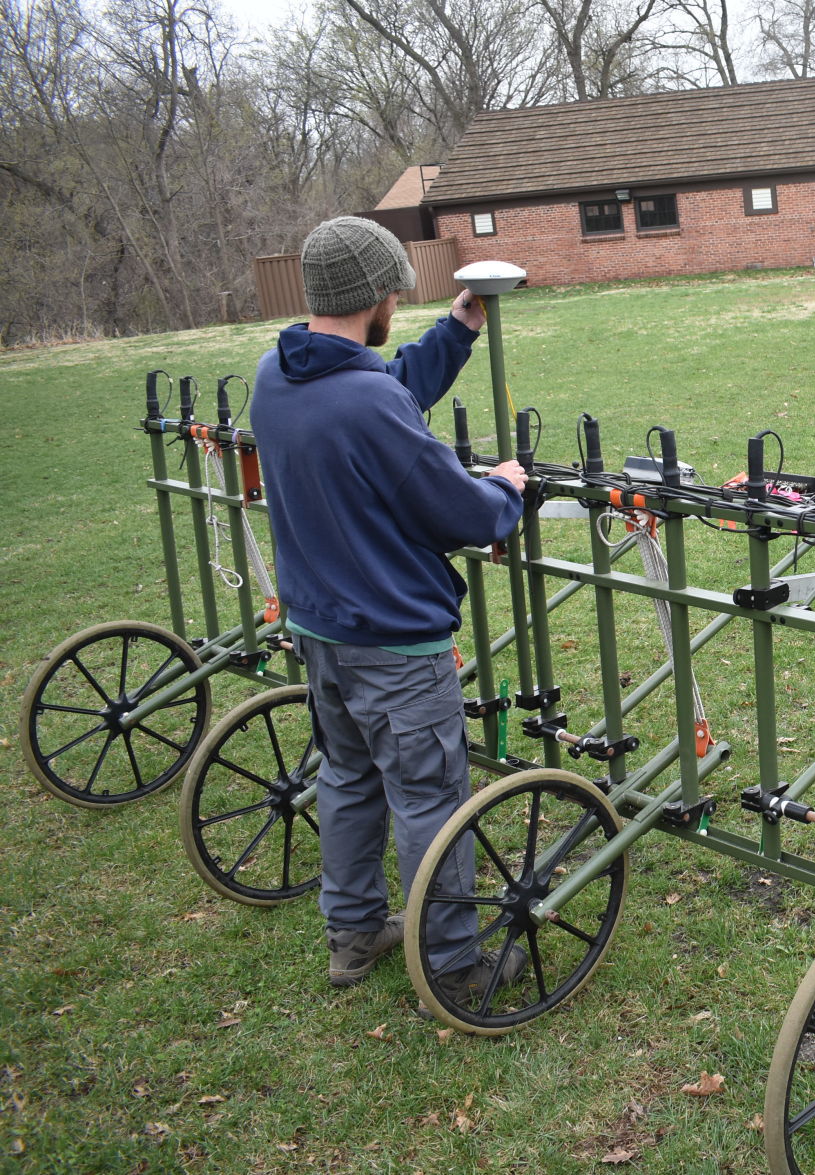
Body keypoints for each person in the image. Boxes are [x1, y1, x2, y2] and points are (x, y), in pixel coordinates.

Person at [253, 216, 527, 1013]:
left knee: (346, 776)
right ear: (372, 295)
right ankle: (452, 964)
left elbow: (385, 385)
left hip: (321, 633)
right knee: (429, 798)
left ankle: (353, 933)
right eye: (394, 292)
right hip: (395, 646)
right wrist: (504, 489)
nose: (397, 305)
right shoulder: (366, 400)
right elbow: (459, 512)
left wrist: (459, 326)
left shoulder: (280, 372)